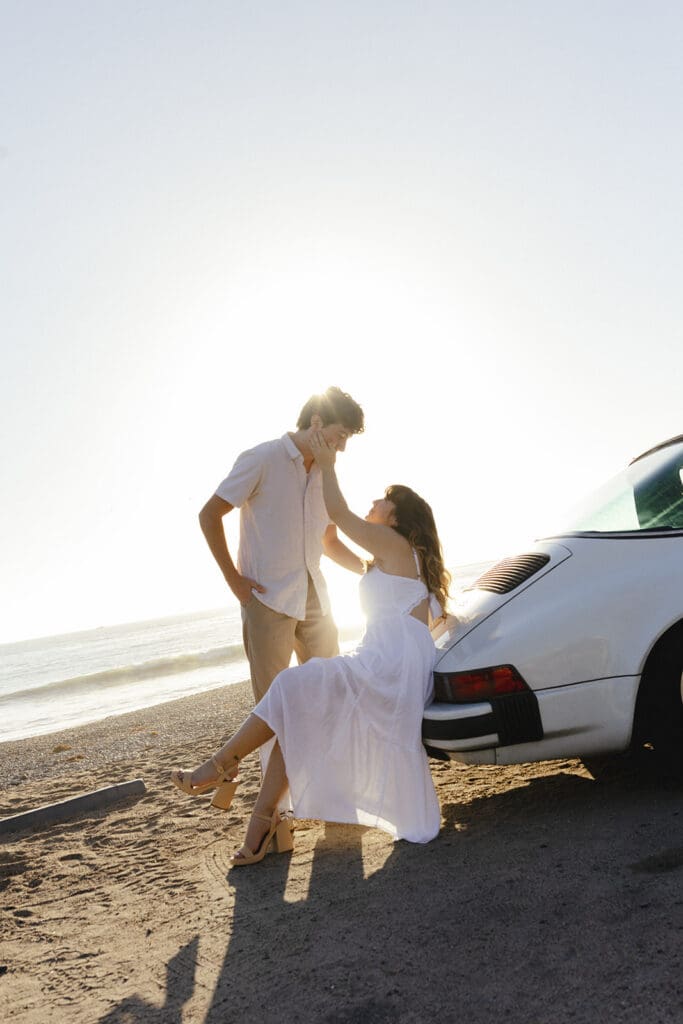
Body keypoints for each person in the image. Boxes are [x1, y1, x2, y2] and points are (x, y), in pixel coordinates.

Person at [171, 430, 450, 862]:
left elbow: (339, 513)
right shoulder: (391, 559)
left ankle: (221, 766)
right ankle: (259, 824)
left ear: (397, 517)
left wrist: (328, 464)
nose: (374, 502)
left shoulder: (394, 544)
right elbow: (331, 541)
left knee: (288, 688)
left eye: (383, 500)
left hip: (387, 669)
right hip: (386, 664)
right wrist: (313, 491)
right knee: (295, 707)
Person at [199, 386, 366, 706]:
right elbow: (209, 515)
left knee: (332, 693)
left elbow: (329, 541)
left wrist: (370, 570)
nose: (343, 447)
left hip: (316, 599)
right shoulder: (262, 458)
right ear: (316, 422)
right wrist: (234, 581)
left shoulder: (325, 472)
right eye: (341, 435)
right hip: (267, 598)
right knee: (273, 705)